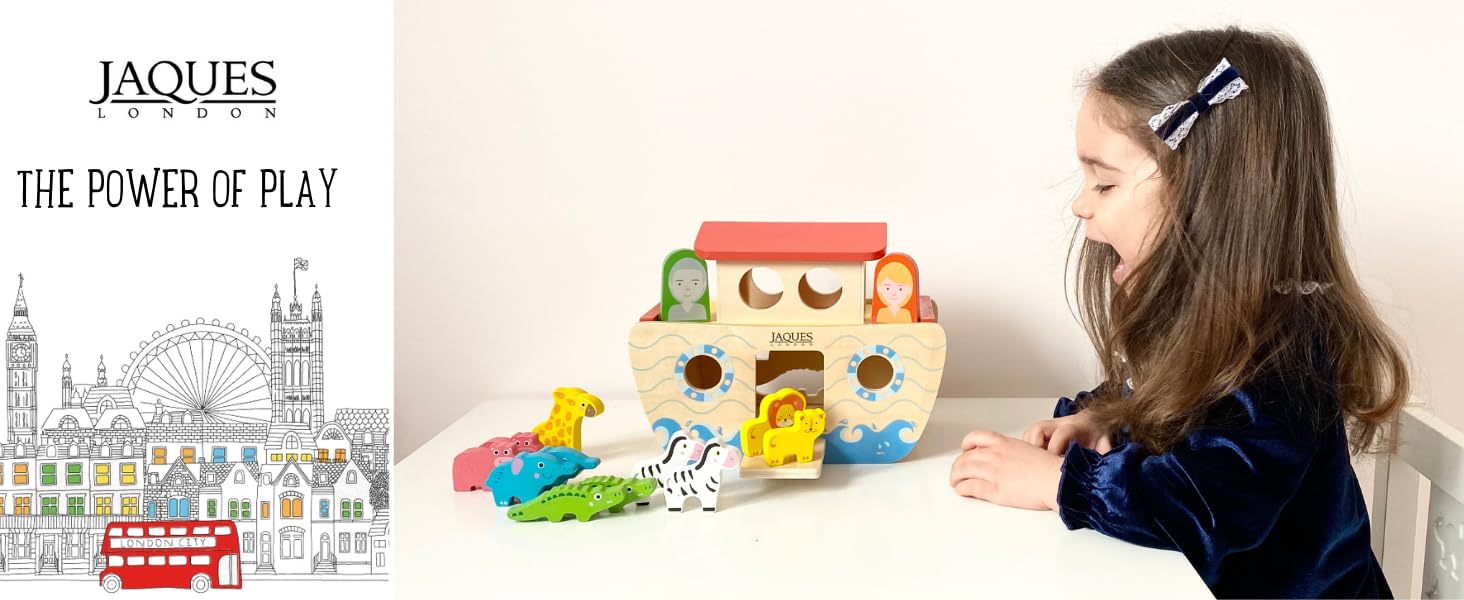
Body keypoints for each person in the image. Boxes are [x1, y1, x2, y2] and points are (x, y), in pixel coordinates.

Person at [948, 28, 1409, 599]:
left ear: (1205, 195)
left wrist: (1058, 484)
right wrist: (1106, 419)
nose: (1080, 204)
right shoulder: (1203, 314)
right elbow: (1176, 408)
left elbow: (1206, 504)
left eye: (1105, 183)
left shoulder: (1284, 345)